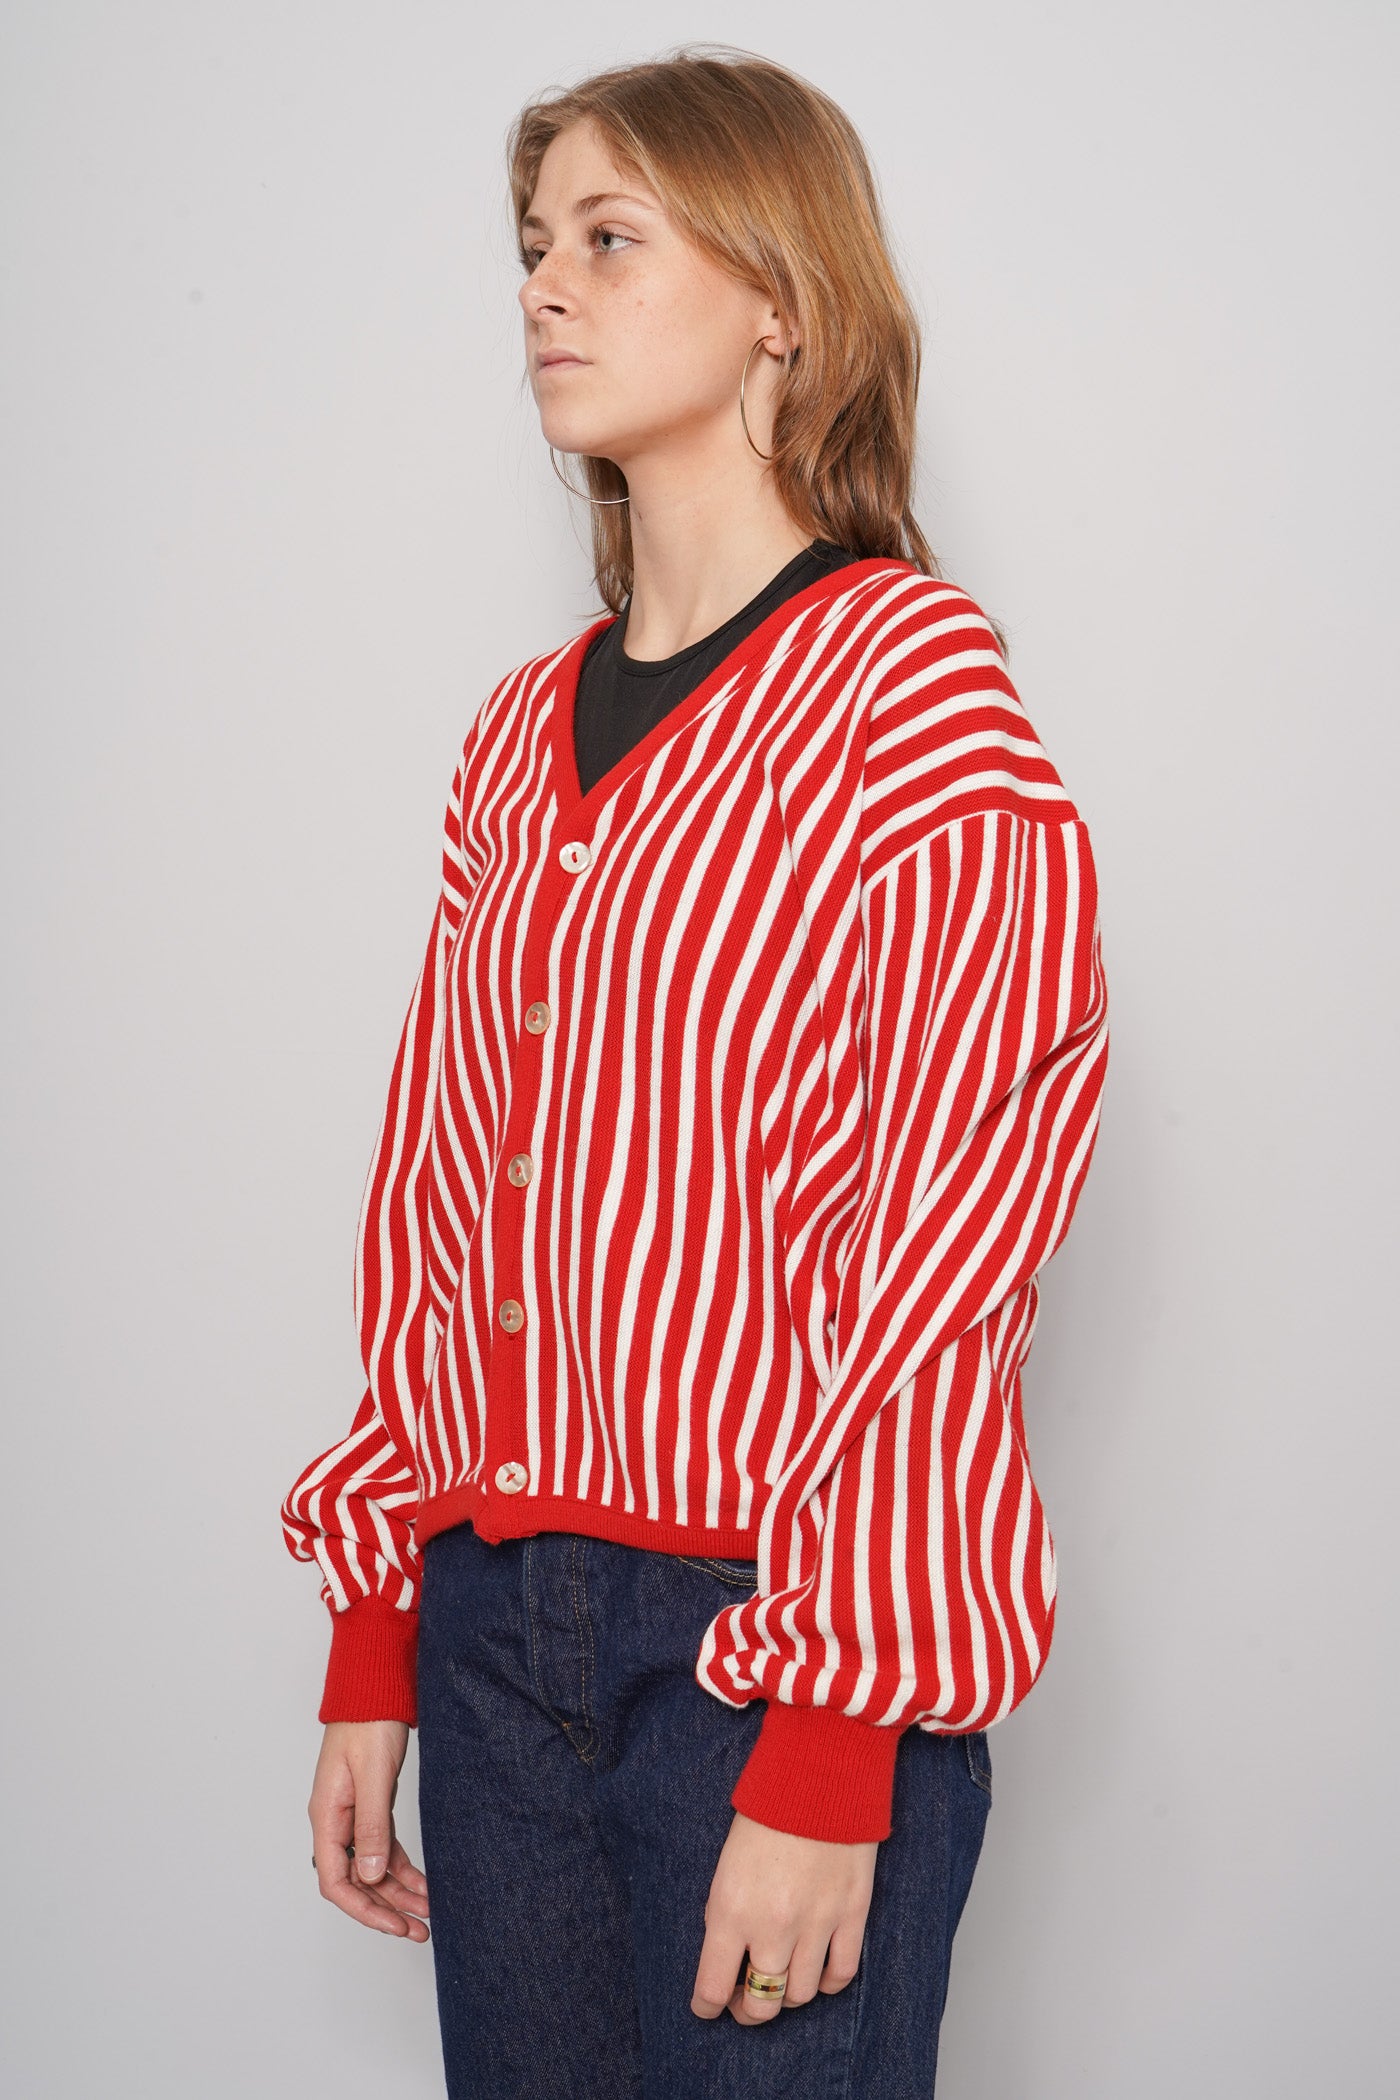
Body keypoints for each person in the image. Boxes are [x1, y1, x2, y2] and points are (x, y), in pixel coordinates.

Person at [281, 43, 1110, 2100]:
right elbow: (440, 1189)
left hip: (761, 1649)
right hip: (490, 1640)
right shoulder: (516, 732)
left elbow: (957, 1232)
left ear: (781, 302)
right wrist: (378, 1627)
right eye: (533, 243)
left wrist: (833, 1734)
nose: (543, 287)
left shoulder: (909, 687)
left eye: (610, 237)